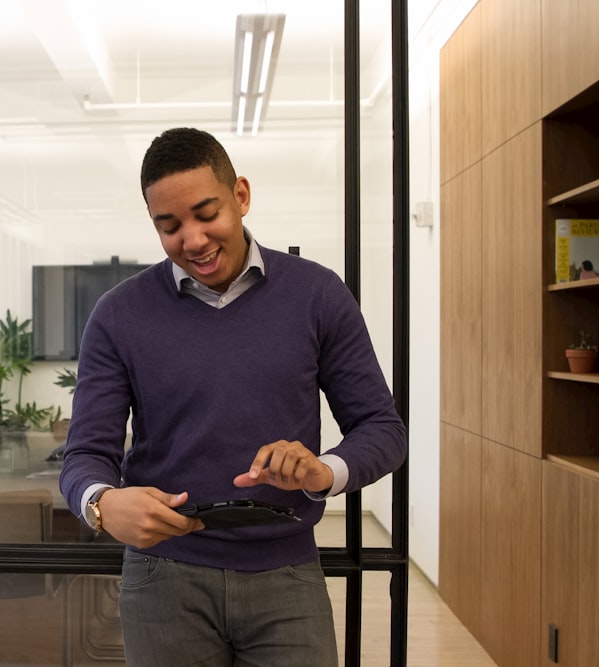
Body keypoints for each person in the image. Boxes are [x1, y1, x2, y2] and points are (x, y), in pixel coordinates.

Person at [59, 127, 407, 666]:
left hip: (287, 575)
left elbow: (383, 430)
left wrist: (323, 471)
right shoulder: (117, 313)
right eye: (169, 226)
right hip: (162, 580)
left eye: (206, 213)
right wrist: (101, 503)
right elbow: (85, 455)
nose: (192, 240)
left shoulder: (317, 294)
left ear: (241, 195)